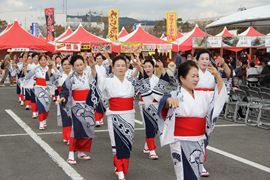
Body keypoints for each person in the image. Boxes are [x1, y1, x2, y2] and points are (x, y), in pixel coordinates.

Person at [158, 61, 228, 180]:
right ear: (182, 78)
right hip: (180, 141)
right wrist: (168, 101)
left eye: (197, 76)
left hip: (199, 140)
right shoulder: (175, 94)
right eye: (193, 76)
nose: (196, 79)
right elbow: (164, 101)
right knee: (184, 175)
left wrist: (217, 76)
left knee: (196, 175)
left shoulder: (202, 95)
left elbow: (220, 95)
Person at [98, 55, 140, 180]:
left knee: (127, 142)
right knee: (116, 142)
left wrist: (139, 68)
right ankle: (120, 169)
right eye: (118, 65)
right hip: (115, 116)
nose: (121, 68)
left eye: (123, 65)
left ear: (127, 67)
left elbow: (144, 84)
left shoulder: (131, 81)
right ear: (113, 67)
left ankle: (121, 166)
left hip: (129, 115)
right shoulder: (107, 81)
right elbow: (100, 92)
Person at [59, 55, 97, 165]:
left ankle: (81, 151)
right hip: (76, 107)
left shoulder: (88, 74)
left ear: (84, 65)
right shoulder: (70, 78)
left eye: (81, 65)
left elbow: (96, 80)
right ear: (73, 67)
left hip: (88, 106)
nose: (79, 67)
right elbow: (64, 91)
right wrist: (63, 97)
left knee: (88, 128)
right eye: (77, 65)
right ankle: (71, 154)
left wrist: (93, 67)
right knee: (76, 130)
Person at [138, 58, 170, 160]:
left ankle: (147, 145)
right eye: (145, 66)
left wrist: (162, 67)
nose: (147, 68)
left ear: (153, 68)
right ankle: (152, 150)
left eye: (149, 66)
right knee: (150, 126)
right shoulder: (142, 78)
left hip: (157, 106)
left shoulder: (157, 79)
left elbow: (166, 80)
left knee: (156, 127)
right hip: (146, 105)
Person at [25, 54, 57, 129]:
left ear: (47, 61)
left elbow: (55, 77)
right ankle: (41, 122)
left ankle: (44, 119)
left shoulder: (50, 68)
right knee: (41, 106)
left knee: (47, 107)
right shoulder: (36, 69)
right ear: (39, 61)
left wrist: (53, 68)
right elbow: (27, 76)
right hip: (39, 89)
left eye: (44, 60)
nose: (43, 61)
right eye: (41, 60)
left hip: (48, 89)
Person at [56, 57, 72, 145]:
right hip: (63, 99)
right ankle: (67, 136)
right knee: (66, 118)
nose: (67, 66)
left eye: (68, 64)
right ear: (62, 66)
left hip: (74, 100)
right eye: (64, 64)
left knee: (72, 118)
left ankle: (70, 137)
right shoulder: (60, 76)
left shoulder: (75, 75)